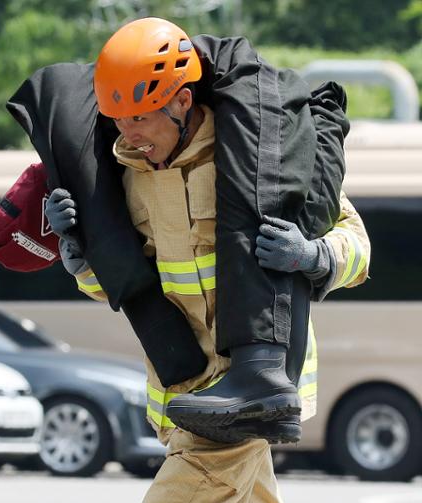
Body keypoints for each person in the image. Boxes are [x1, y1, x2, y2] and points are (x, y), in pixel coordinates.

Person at [44, 17, 370, 502]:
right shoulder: (125, 178)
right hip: (182, 391)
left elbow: (358, 247)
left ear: (182, 100)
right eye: (119, 118)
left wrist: (314, 256)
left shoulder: (259, 154)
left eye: (142, 116)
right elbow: (131, 283)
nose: (129, 133)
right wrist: (82, 264)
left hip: (252, 389)